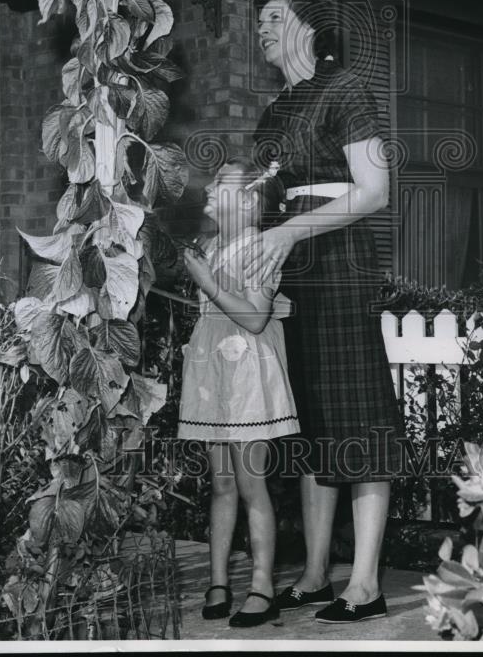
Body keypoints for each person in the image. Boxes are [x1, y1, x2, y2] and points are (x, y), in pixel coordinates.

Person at [252, 0, 405, 625]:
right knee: (310, 418)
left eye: (275, 17)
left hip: (340, 260)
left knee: (357, 413)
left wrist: (290, 231)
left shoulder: (346, 90)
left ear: (311, 27)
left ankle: (365, 584)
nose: (262, 27)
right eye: (258, 19)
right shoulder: (272, 112)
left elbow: (374, 190)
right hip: (292, 274)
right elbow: (257, 203)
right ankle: (315, 575)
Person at [177, 158, 299, 630]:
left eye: (220, 183)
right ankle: (218, 580)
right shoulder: (210, 244)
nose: (207, 185)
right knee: (222, 483)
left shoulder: (260, 248)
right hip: (215, 379)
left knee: (251, 484)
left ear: (247, 202)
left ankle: (263, 584)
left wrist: (207, 281)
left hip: (248, 380)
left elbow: (254, 318)